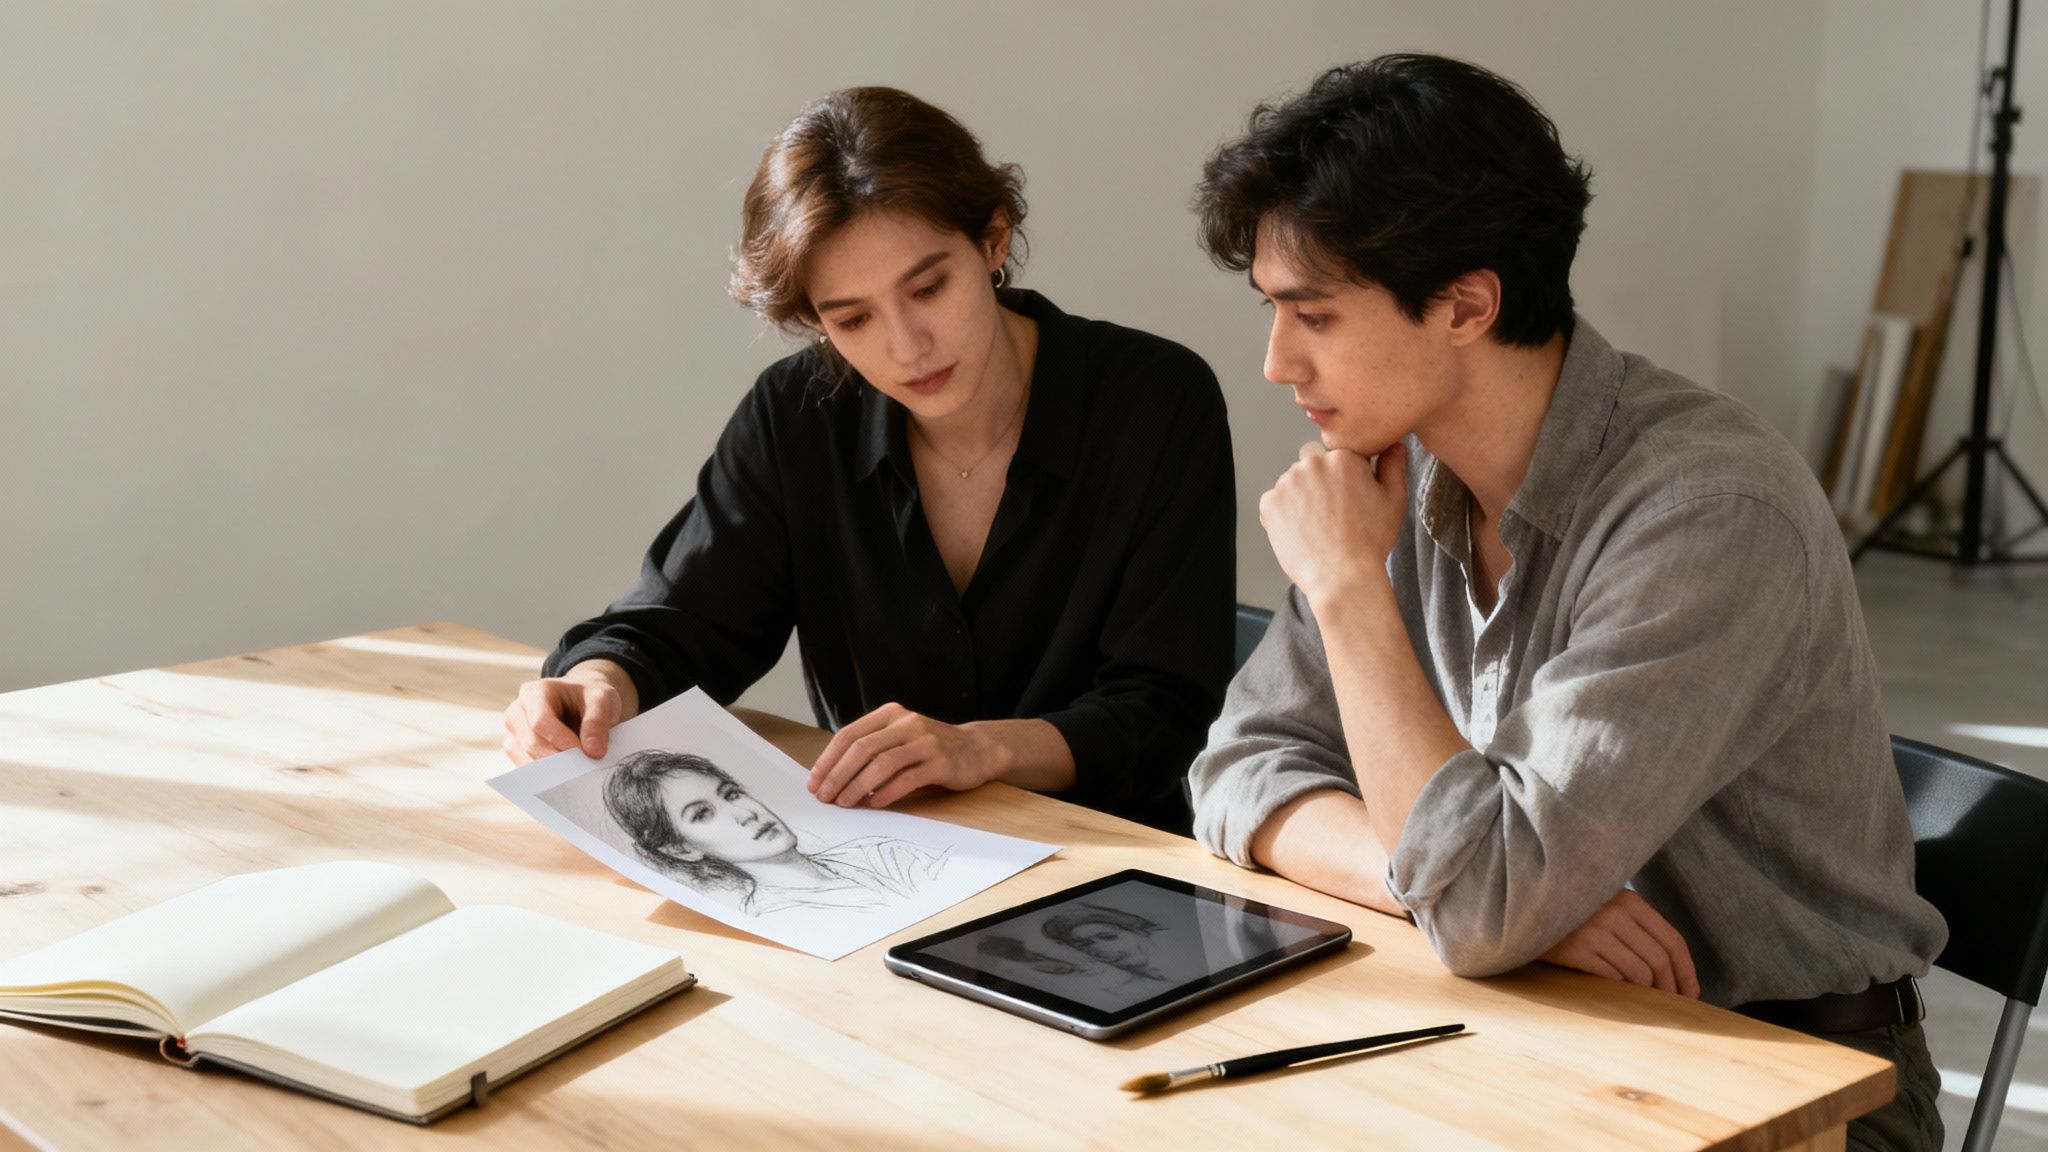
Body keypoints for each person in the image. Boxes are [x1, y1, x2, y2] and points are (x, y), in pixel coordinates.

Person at [1186, 55, 1946, 1150]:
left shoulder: (1707, 511)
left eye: (1310, 314)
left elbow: (1487, 903)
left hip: (1789, 1085)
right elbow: (1238, 771)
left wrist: (1347, 588)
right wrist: (1456, 893)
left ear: (1466, 304)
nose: (1274, 362)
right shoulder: (1388, 477)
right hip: (1538, 1029)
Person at [502, 87, 1236, 833]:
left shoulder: (1154, 401)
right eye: (852, 319)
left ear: (992, 239)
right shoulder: (798, 415)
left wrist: (981, 749)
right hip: (887, 855)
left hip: (1113, 861)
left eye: (929, 287)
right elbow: (685, 622)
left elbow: (1167, 710)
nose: (906, 348)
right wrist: (595, 684)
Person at [602, 749, 947, 916]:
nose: (744, 814)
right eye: (703, 814)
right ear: (680, 850)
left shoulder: (879, 852)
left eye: (732, 794)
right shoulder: (777, 916)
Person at [1040, 903, 1168, 985]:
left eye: (1109, 937)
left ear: (1140, 932)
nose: (1101, 949)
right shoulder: (1123, 993)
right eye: (1084, 945)